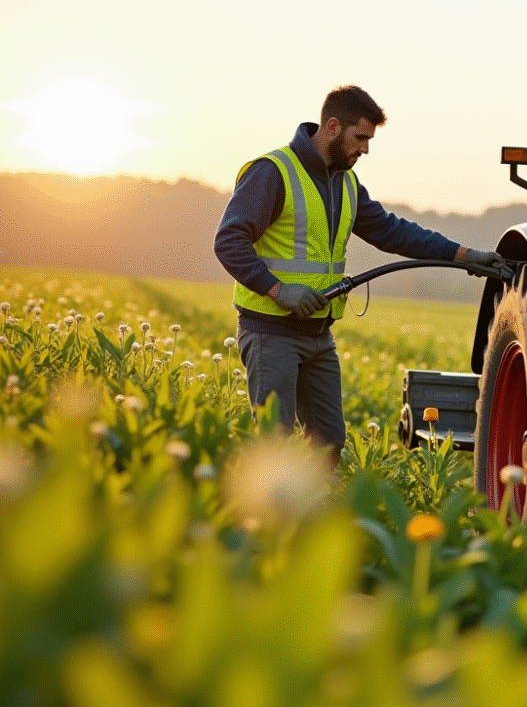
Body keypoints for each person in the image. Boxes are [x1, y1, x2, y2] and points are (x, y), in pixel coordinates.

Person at [214, 85, 505, 462]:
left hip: (319, 334)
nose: (365, 149)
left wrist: (467, 256)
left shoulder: (346, 183)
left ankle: (309, 516)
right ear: (332, 126)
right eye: (361, 137)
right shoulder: (273, 172)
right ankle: (262, 519)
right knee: (274, 448)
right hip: (272, 333)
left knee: (329, 443)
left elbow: (393, 231)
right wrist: (277, 289)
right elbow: (228, 240)